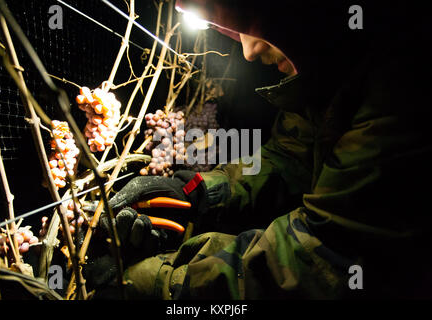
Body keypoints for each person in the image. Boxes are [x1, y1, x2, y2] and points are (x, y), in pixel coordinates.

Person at [85, 0, 432, 299]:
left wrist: (165, 285)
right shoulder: (331, 73)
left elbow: (328, 256)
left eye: (254, 22)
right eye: (238, 32)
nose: (249, 52)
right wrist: (199, 191)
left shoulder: (401, 83)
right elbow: (289, 156)